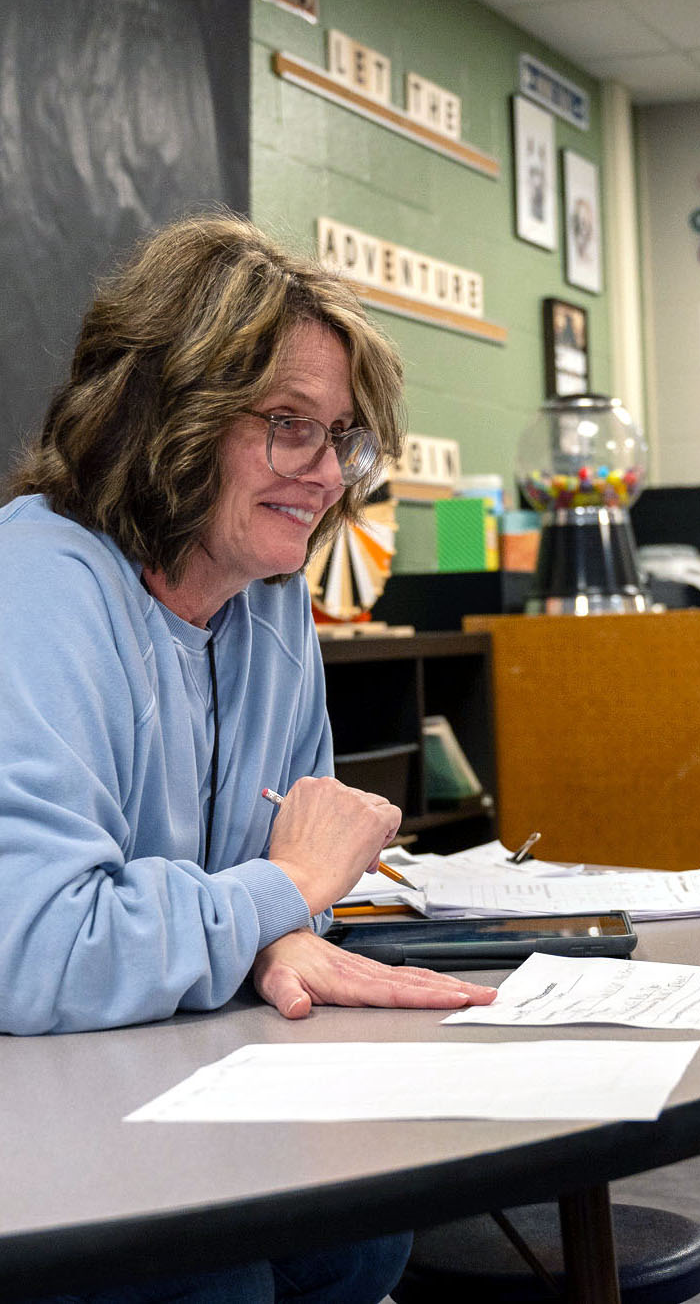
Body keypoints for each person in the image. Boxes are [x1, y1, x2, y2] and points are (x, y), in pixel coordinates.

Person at [0, 214, 497, 1302]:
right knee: (213, 1279)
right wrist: (281, 895)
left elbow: (289, 911)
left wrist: (273, 931)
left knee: (362, 1233)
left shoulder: (273, 605)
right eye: (288, 425)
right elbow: (39, 947)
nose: (326, 476)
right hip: (32, 1110)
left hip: (161, 1068)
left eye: (343, 437)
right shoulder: (39, 583)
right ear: (166, 413)